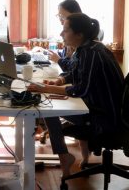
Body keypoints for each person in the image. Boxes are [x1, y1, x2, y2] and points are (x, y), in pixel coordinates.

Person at [28, 13, 124, 178]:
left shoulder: (91, 53)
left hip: (105, 117)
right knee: (50, 109)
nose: (61, 34)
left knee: (47, 109)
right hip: (99, 108)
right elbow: (75, 73)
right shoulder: (87, 48)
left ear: (79, 34)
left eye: (65, 30)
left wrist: (45, 89)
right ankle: (65, 157)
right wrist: (59, 81)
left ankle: (64, 157)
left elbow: (81, 90)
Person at [48, 0, 82, 72]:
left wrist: (59, 60)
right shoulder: (70, 34)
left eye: (62, 17)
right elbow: (66, 55)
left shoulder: (79, 36)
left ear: (74, 14)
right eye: (59, 16)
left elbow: (75, 70)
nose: (60, 20)